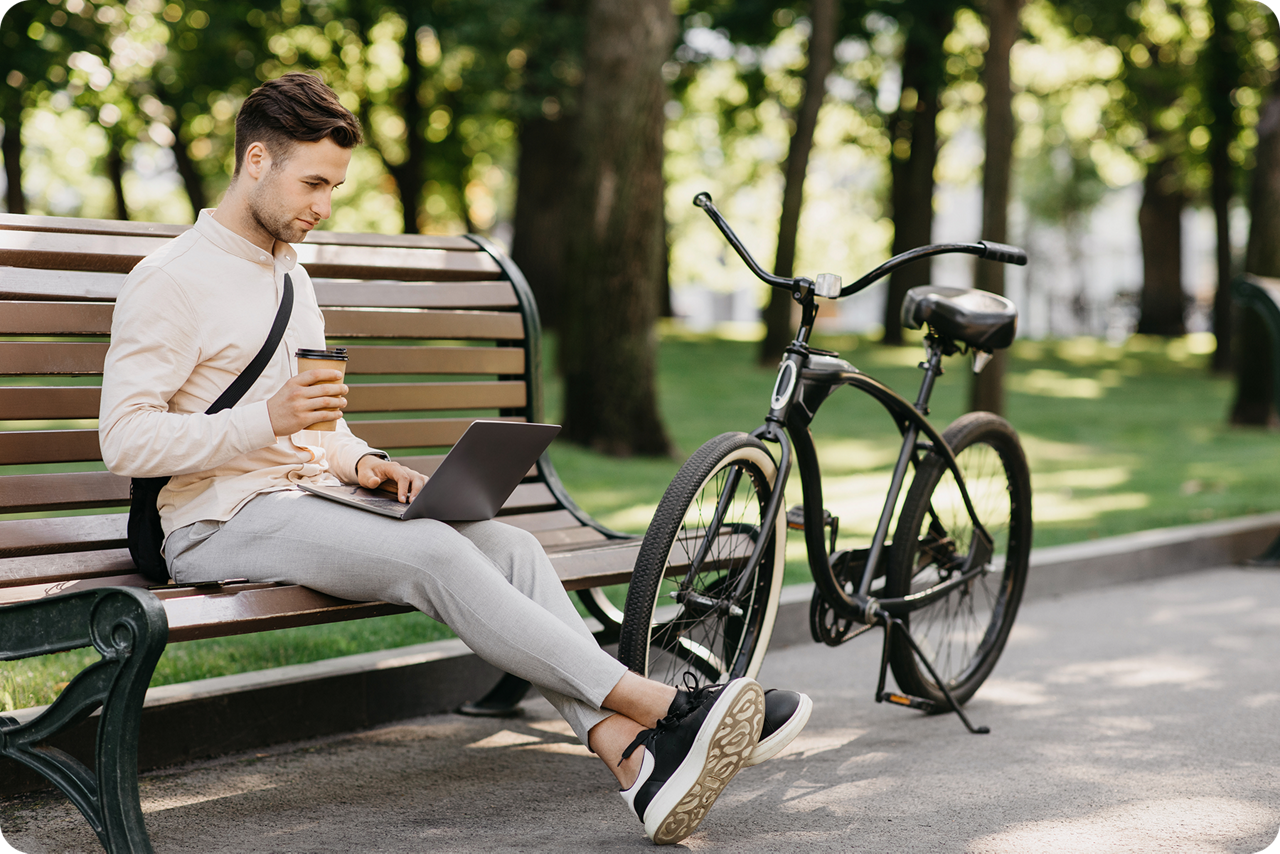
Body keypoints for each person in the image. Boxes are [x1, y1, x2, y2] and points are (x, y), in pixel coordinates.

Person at [99, 72, 811, 846]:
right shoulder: (168, 281)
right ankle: (667, 709)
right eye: (313, 182)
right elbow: (125, 441)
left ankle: (636, 763)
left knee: (512, 546)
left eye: (334, 187)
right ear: (257, 162)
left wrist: (364, 462)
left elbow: (313, 427)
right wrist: (262, 420)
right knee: (434, 552)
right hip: (212, 521)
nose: (323, 206)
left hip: (301, 499)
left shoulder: (289, 276)